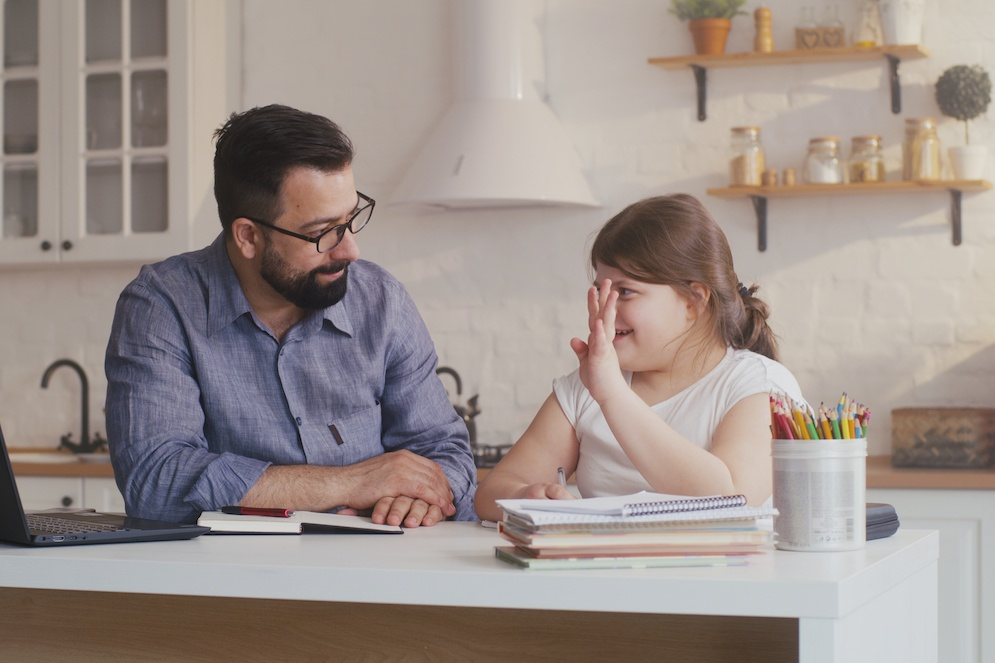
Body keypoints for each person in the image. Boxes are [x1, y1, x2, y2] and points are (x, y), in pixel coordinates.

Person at [105, 104, 476, 527]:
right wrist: (348, 483)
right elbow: (155, 482)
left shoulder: (381, 302)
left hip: (381, 570)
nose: (350, 250)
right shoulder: (162, 305)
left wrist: (421, 497)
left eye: (352, 218)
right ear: (248, 236)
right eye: (322, 233)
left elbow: (444, 452)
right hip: (232, 581)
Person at [475, 194, 805, 522]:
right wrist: (524, 495)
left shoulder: (757, 385)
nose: (607, 307)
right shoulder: (585, 388)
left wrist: (613, 396)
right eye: (601, 290)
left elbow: (733, 499)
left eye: (625, 291)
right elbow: (492, 492)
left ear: (693, 301)